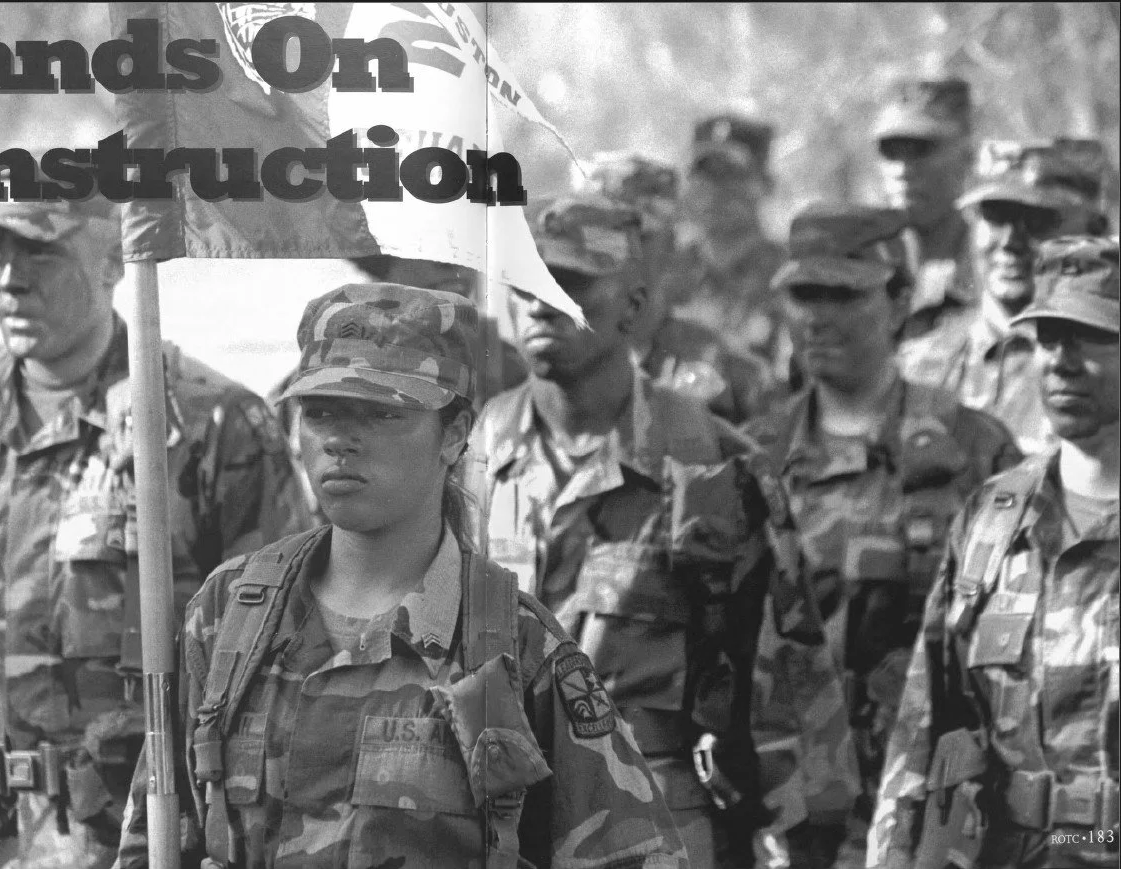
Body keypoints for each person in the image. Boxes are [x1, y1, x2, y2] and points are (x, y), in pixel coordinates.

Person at [116, 282, 687, 868]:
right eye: (321, 411)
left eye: (383, 413)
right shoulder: (228, 615)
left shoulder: (511, 649)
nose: (340, 440)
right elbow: (153, 840)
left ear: (456, 433)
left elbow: (635, 854)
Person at [0, 199, 313, 868]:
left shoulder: (208, 425)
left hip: (128, 840)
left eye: (39, 253)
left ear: (109, 262)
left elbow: (276, 669)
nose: (10, 278)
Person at [481, 193, 846, 869]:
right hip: (497, 821)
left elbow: (786, 668)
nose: (538, 301)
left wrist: (800, 831)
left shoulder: (710, 458)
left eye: (568, 282)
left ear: (635, 304)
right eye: (524, 281)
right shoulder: (470, 454)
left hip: (652, 819)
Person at [744, 202, 1022, 869]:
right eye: (804, 293)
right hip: (785, 820)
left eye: (841, 293)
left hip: (933, 816)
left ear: (898, 301)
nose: (817, 314)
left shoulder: (973, 452)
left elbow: (1013, 652)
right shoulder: (749, 457)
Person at [870, 235, 1120, 869]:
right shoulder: (993, 516)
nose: (1060, 361)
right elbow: (926, 725)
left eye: (1090, 337)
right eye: (1047, 337)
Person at [266, 253, 530, 523]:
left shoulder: (516, 370)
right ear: (383, 262)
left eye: (465, 249)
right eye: (432, 246)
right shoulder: (307, 390)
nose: (452, 264)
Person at [900, 138, 1112, 454]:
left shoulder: (1107, 371)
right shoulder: (918, 364)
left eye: (1037, 220)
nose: (1011, 241)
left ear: (1095, 232)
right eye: (996, 216)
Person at [583, 151, 777, 425]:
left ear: (671, 246)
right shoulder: (547, 360)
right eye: (601, 238)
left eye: (640, 237)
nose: (622, 254)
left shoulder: (732, 374)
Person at [672, 114, 792, 382]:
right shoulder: (668, 272)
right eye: (705, 175)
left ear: (765, 185)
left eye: (731, 174)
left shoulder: (790, 276)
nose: (716, 189)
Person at [872, 77, 977, 340]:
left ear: (966, 157)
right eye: (891, 151)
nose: (903, 169)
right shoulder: (863, 280)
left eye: (921, 150)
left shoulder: (998, 273)